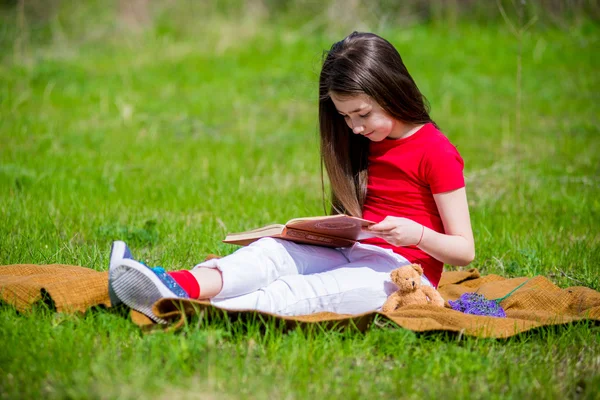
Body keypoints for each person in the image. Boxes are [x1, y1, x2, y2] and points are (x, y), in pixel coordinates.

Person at [108, 32, 475, 324]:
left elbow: (465, 250)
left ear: (390, 91)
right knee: (271, 253)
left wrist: (419, 234)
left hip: (403, 273)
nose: (355, 127)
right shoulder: (364, 140)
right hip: (353, 250)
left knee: (305, 291)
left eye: (362, 114)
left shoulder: (436, 151)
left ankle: (179, 310)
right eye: (345, 117)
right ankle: (174, 285)